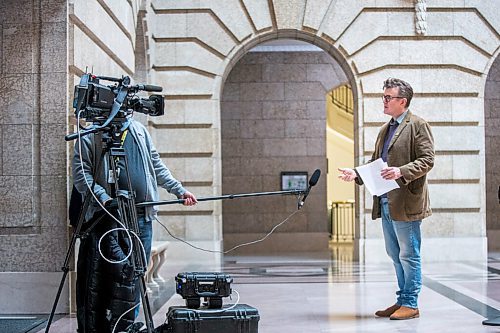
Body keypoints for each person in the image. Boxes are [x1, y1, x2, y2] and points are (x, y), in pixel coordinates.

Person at [72, 115, 197, 332]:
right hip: (108, 219)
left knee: (137, 274)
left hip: (141, 216)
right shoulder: (89, 135)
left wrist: (179, 190)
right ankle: (108, 326)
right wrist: (104, 198)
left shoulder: (138, 130)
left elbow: (155, 165)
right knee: (112, 278)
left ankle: (128, 325)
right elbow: (82, 176)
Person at [338, 78, 434, 320]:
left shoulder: (418, 125)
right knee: (394, 254)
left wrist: (401, 171)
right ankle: (402, 300)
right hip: (385, 201)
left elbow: (427, 160)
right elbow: (376, 164)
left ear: (403, 101)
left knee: (408, 254)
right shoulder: (386, 128)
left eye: (388, 97)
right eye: (384, 96)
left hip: (406, 202)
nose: (384, 101)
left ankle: (411, 304)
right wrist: (356, 173)